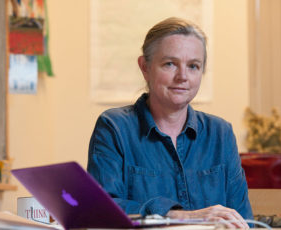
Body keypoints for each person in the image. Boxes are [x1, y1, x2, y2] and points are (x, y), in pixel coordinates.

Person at [87, 17, 253, 229]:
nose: (182, 76)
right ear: (145, 67)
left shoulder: (220, 133)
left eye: (193, 66)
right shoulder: (114, 127)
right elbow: (101, 210)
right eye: (170, 64)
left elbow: (244, 220)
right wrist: (181, 217)